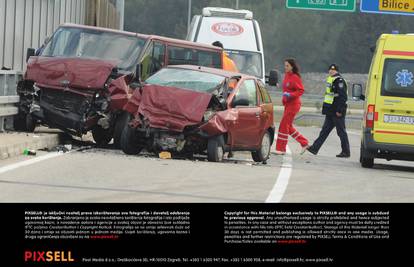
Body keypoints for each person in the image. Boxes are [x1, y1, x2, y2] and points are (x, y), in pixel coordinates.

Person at [307, 64, 350, 158]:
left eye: (333, 70)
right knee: (324, 131)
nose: (331, 71)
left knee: (341, 132)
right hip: (331, 110)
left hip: (337, 111)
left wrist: (339, 110)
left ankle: (346, 151)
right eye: (330, 70)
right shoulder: (331, 79)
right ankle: (314, 148)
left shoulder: (339, 81)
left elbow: (342, 97)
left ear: (337, 71)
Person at [275, 59, 309, 155]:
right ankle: (304, 143)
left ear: (292, 67)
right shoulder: (286, 76)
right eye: (285, 65)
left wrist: (290, 95)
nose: (285, 67)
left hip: (294, 105)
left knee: (283, 125)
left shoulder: (295, 77)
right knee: (288, 127)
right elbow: (286, 88)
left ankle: (281, 149)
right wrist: (284, 98)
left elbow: (301, 90)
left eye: (287, 66)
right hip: (287, 104)